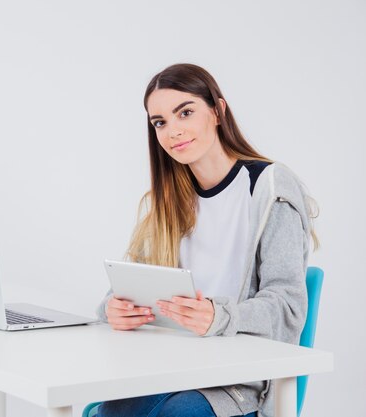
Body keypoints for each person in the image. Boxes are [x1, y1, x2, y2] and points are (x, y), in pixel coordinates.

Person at [96, 63, 319, 417]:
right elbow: (133, 282)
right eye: (160, 122)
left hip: (238, 380)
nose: (173, 131)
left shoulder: (269, 186)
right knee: (112, 411)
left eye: (185, 112)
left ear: (217, 111)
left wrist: (219, 316)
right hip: (168, 366)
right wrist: (114, 309)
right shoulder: (166, 201)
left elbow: (288, 307)